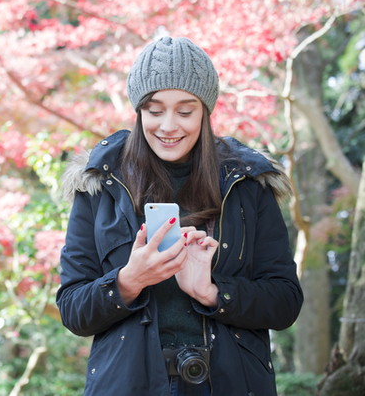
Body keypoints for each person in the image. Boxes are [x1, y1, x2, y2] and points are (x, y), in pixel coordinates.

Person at [56, 36, 304, 396]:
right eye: (155, 111)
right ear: (138, 111)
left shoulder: (248, 184)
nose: (169, 126)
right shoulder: (100, 185)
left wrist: (213, 291)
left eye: (185, 111)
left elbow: (285, 303)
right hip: (129, 386)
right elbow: (72, 309)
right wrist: (128, 281)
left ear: (205, 111)